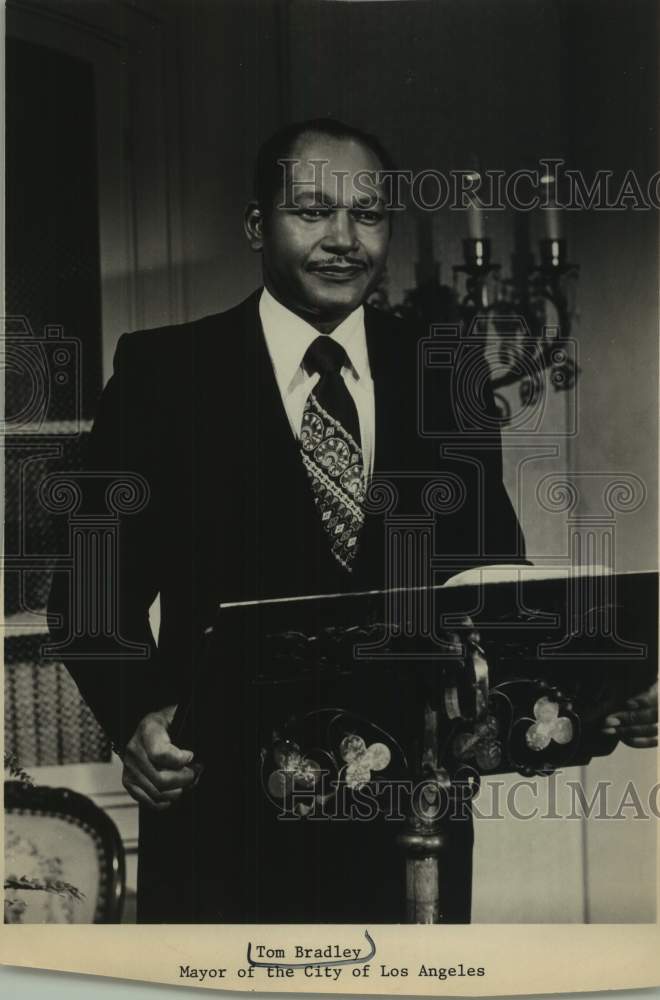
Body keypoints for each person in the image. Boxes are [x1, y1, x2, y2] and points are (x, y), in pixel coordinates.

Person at [48, 118, 657, 923]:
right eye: (311, 211)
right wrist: (135, 716)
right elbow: (90, 590)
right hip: (222, 815)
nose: (343, 239)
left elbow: (492, 582)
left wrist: (604, 685)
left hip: (412, 821)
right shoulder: (167, 374)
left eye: (367, 215)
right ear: (257, 225)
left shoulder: (447, 369)